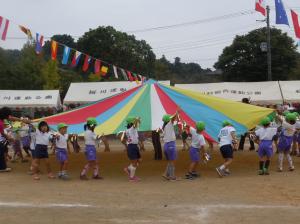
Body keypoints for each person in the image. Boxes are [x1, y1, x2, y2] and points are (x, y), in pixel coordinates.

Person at [0, 107, 30, 172]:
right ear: (5, 115)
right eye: (8, 115)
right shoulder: (1, 122)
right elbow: (2, 133)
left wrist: (22, 120)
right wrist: (9, 138)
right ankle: (2, 167)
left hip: (4, 139)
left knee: (3, 150)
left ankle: (3, 166)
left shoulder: (2, 119)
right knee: (2, 150)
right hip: (3, 139)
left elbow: (12, 118)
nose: (9, 117)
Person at [162, 112, 180, 181]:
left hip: (166, 145)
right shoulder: (169, 124)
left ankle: (165, 174)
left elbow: (174, 120)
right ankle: (172, 176)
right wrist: (176, 112)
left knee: (170, 161)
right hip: (170, 145)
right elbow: (173, 118)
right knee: (172, 162)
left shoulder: (165, 126)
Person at [123, 116, 142, 182]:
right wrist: (137, 119)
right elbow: (135, 124)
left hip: (134, 146)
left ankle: (128, 169)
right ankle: (132, 177)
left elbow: (136, 137)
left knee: (139, 160)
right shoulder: (131, 129)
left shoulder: (132, 130)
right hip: (132, 146)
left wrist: (139, 144)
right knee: (134, 163)